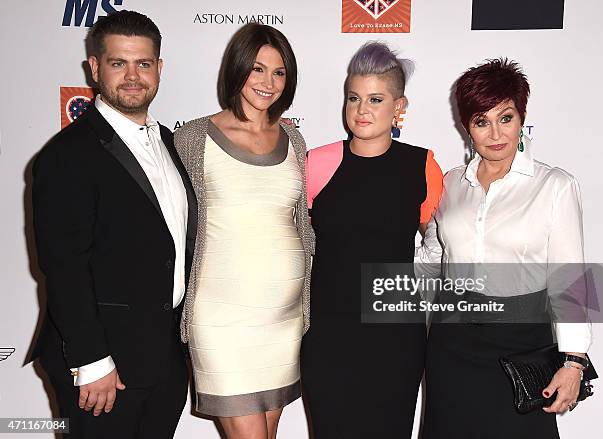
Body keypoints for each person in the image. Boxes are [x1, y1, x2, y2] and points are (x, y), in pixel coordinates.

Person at [31, 10, 196, 438]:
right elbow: (63, 266)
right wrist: (90, 361)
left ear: (159, 68)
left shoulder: (168, 142)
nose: (132, 76)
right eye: (118, 63)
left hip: (163, 358)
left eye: (143, 63)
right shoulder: (67, 155)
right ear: (95, 67)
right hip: (105, 367)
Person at [416, 59, 592, 438]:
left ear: (521, 117)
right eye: (482, 121)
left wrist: (574, 361)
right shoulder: (450, 184)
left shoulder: (555, 185)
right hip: (452, 346)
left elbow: (570, 280)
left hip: (523, 345)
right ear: (467, 128)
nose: (496, 133)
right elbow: (432, 259)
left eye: (506, 117)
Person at [173, 23, 313, 439]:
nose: (268, 83)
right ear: (237, 70)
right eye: (257, 69)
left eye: (279, 72)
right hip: (222, 316)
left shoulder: (294, 138)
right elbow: (176, 225)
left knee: (268, 431)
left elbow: (301, 224)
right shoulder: (193, 137)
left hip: (283, 318)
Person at [300, 42, 443, 438]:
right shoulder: (317, 161)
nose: (362, 110)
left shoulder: (422, 166)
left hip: (396, 338)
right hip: (328, 335)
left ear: (400, 106)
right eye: (354, 98)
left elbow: (438, 248)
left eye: (376, 99)